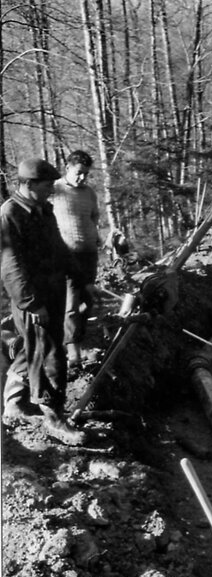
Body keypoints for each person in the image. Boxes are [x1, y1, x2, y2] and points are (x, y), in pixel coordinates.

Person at [1, 157, 88, 445]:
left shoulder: (43, 210)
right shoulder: (9, 215)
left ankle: (13, 403)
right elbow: (10, 266)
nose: (52, 189)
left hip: (52, 292)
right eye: (47, 185)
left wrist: (79, 278)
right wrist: (30, 303)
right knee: (50, 354)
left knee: (32, 349)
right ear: (28, 184)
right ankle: (54, 416)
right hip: (32, 298)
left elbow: (58, 248)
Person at [51, 150, 100, 369]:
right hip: (66, 255)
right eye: (79, 173)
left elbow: (94, 218)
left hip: (89, 255)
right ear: (68, 167)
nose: (82, 178)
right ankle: (73, 355)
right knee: (70, 304)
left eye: (86, 174)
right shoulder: (55, 190)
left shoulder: (89, 193)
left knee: (87, 302)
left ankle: (79, 341)